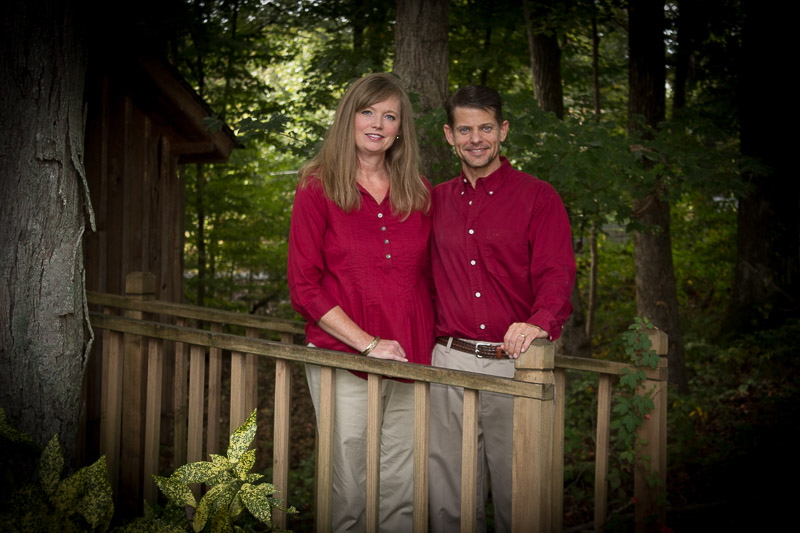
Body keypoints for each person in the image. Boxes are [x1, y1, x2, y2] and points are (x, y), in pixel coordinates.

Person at [287, 73, 434, 532]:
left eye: (389, 116)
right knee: (349, 486)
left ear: (400, 129)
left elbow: (432, 277)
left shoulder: (418, 190)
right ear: (347, 118)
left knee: (402, 484)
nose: (377, 124)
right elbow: (304, 286)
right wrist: (368, 344)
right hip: (343, 357)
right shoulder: (318, 186)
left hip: (410, 357)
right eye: (367, 112)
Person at [428, 85, 575, 532]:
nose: (476, 139)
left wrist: (538, 322)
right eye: (465, 129)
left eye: (486, 128)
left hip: (516, 363)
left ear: (503, 130)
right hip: (449, 362)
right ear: (449, 135)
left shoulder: (538, 197)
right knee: (449, 501)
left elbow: (556, 273)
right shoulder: (432, 201)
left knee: (521, 497)